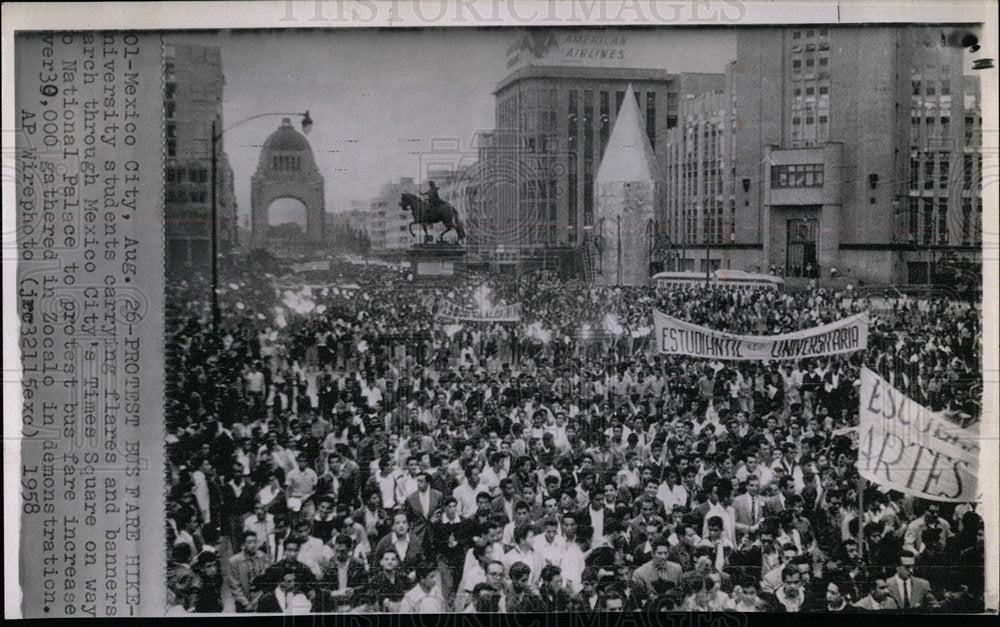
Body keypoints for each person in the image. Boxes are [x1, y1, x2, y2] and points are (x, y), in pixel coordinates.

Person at [226, 531, 270, 612]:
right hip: (243, 599)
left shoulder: (262, 556)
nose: (253, 545)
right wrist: (245, 603)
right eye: (249, 542)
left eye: (255, 542)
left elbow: (267, 578)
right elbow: (234, 585)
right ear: (243, 544)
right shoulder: (234, 561)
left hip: (260, 597)